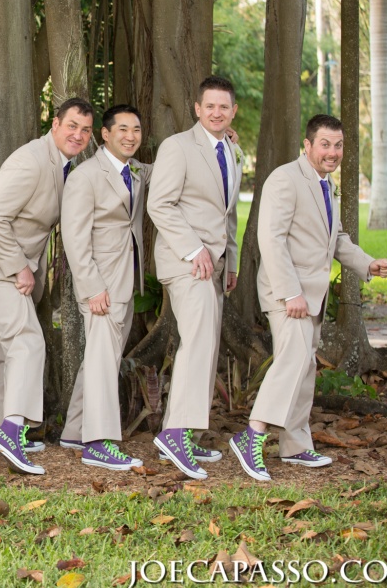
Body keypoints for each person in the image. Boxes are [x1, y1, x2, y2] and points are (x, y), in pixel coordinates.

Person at [230, 114, 387, 481]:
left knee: (304, 368)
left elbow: (337, 240)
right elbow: (271, 240)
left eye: (338, 145)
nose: (333, 152)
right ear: (307, 145)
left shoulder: (326, 183)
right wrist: (291, 292)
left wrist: (368, 264)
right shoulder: (285, 179)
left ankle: (296, 446)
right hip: (288, 294)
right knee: (293, 361)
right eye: (325, 144)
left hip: (311, 295)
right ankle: (251, 435)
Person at [0, 98, 94, 475]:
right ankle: (13, 430)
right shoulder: (32, 160)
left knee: (6, 353)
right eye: (72, 126)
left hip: (0, 263)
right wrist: (20, 268)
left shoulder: (65, 165)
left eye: (85, 130)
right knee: (28, 340)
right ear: (55, 124)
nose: (78, 135)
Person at [146, 75, 241, 480]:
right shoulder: (178, 147)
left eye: (224, 106)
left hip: (214, 265)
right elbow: (159, 204)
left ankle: (184, 433)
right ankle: (175, 434)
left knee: (207, 342)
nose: (217, 112)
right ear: (197, 109)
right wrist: (193, 249)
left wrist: (231, 260)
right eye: (210, 106)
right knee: (198, 340)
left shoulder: (232, 150)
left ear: (232, 111)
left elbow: (228, 212)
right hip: (185, 261)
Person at [59, 105, 148, 470]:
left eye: (137, 130)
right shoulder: (86, 176)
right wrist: (92, 286)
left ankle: (75, 430)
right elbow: (74, 238)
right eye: (122, 129)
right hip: (101, 284)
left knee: (99, 358)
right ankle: (98, 442)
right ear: (105, 135)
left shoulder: (136, 172)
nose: (131, 136)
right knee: (102, 361)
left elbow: (170, 172)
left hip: (125, 279)